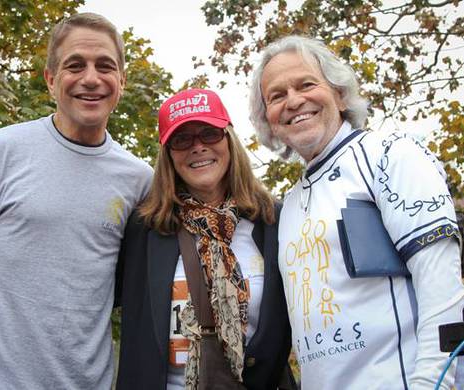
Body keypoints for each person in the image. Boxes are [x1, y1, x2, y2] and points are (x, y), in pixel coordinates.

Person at [0, 13, 152, 389]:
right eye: (74, 65)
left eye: (105, 66)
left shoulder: (141, 180)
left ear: (122, 81)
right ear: (50, 79)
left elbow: (131, 282)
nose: (91, 78)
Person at [249, 35, 464, 389]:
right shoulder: (287, 207)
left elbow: (441, 282)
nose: (294, 101)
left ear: (339, 93)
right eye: (276, 96)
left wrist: (434, 383)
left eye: (306, 84)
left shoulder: (391, 155)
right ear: (268, 120)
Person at [115, 88, 295, 389]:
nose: (197, 147)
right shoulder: (144, 229)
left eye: (209, 134)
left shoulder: (272, 221)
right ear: (169, 154)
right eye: (182, 139)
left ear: (228, 140)